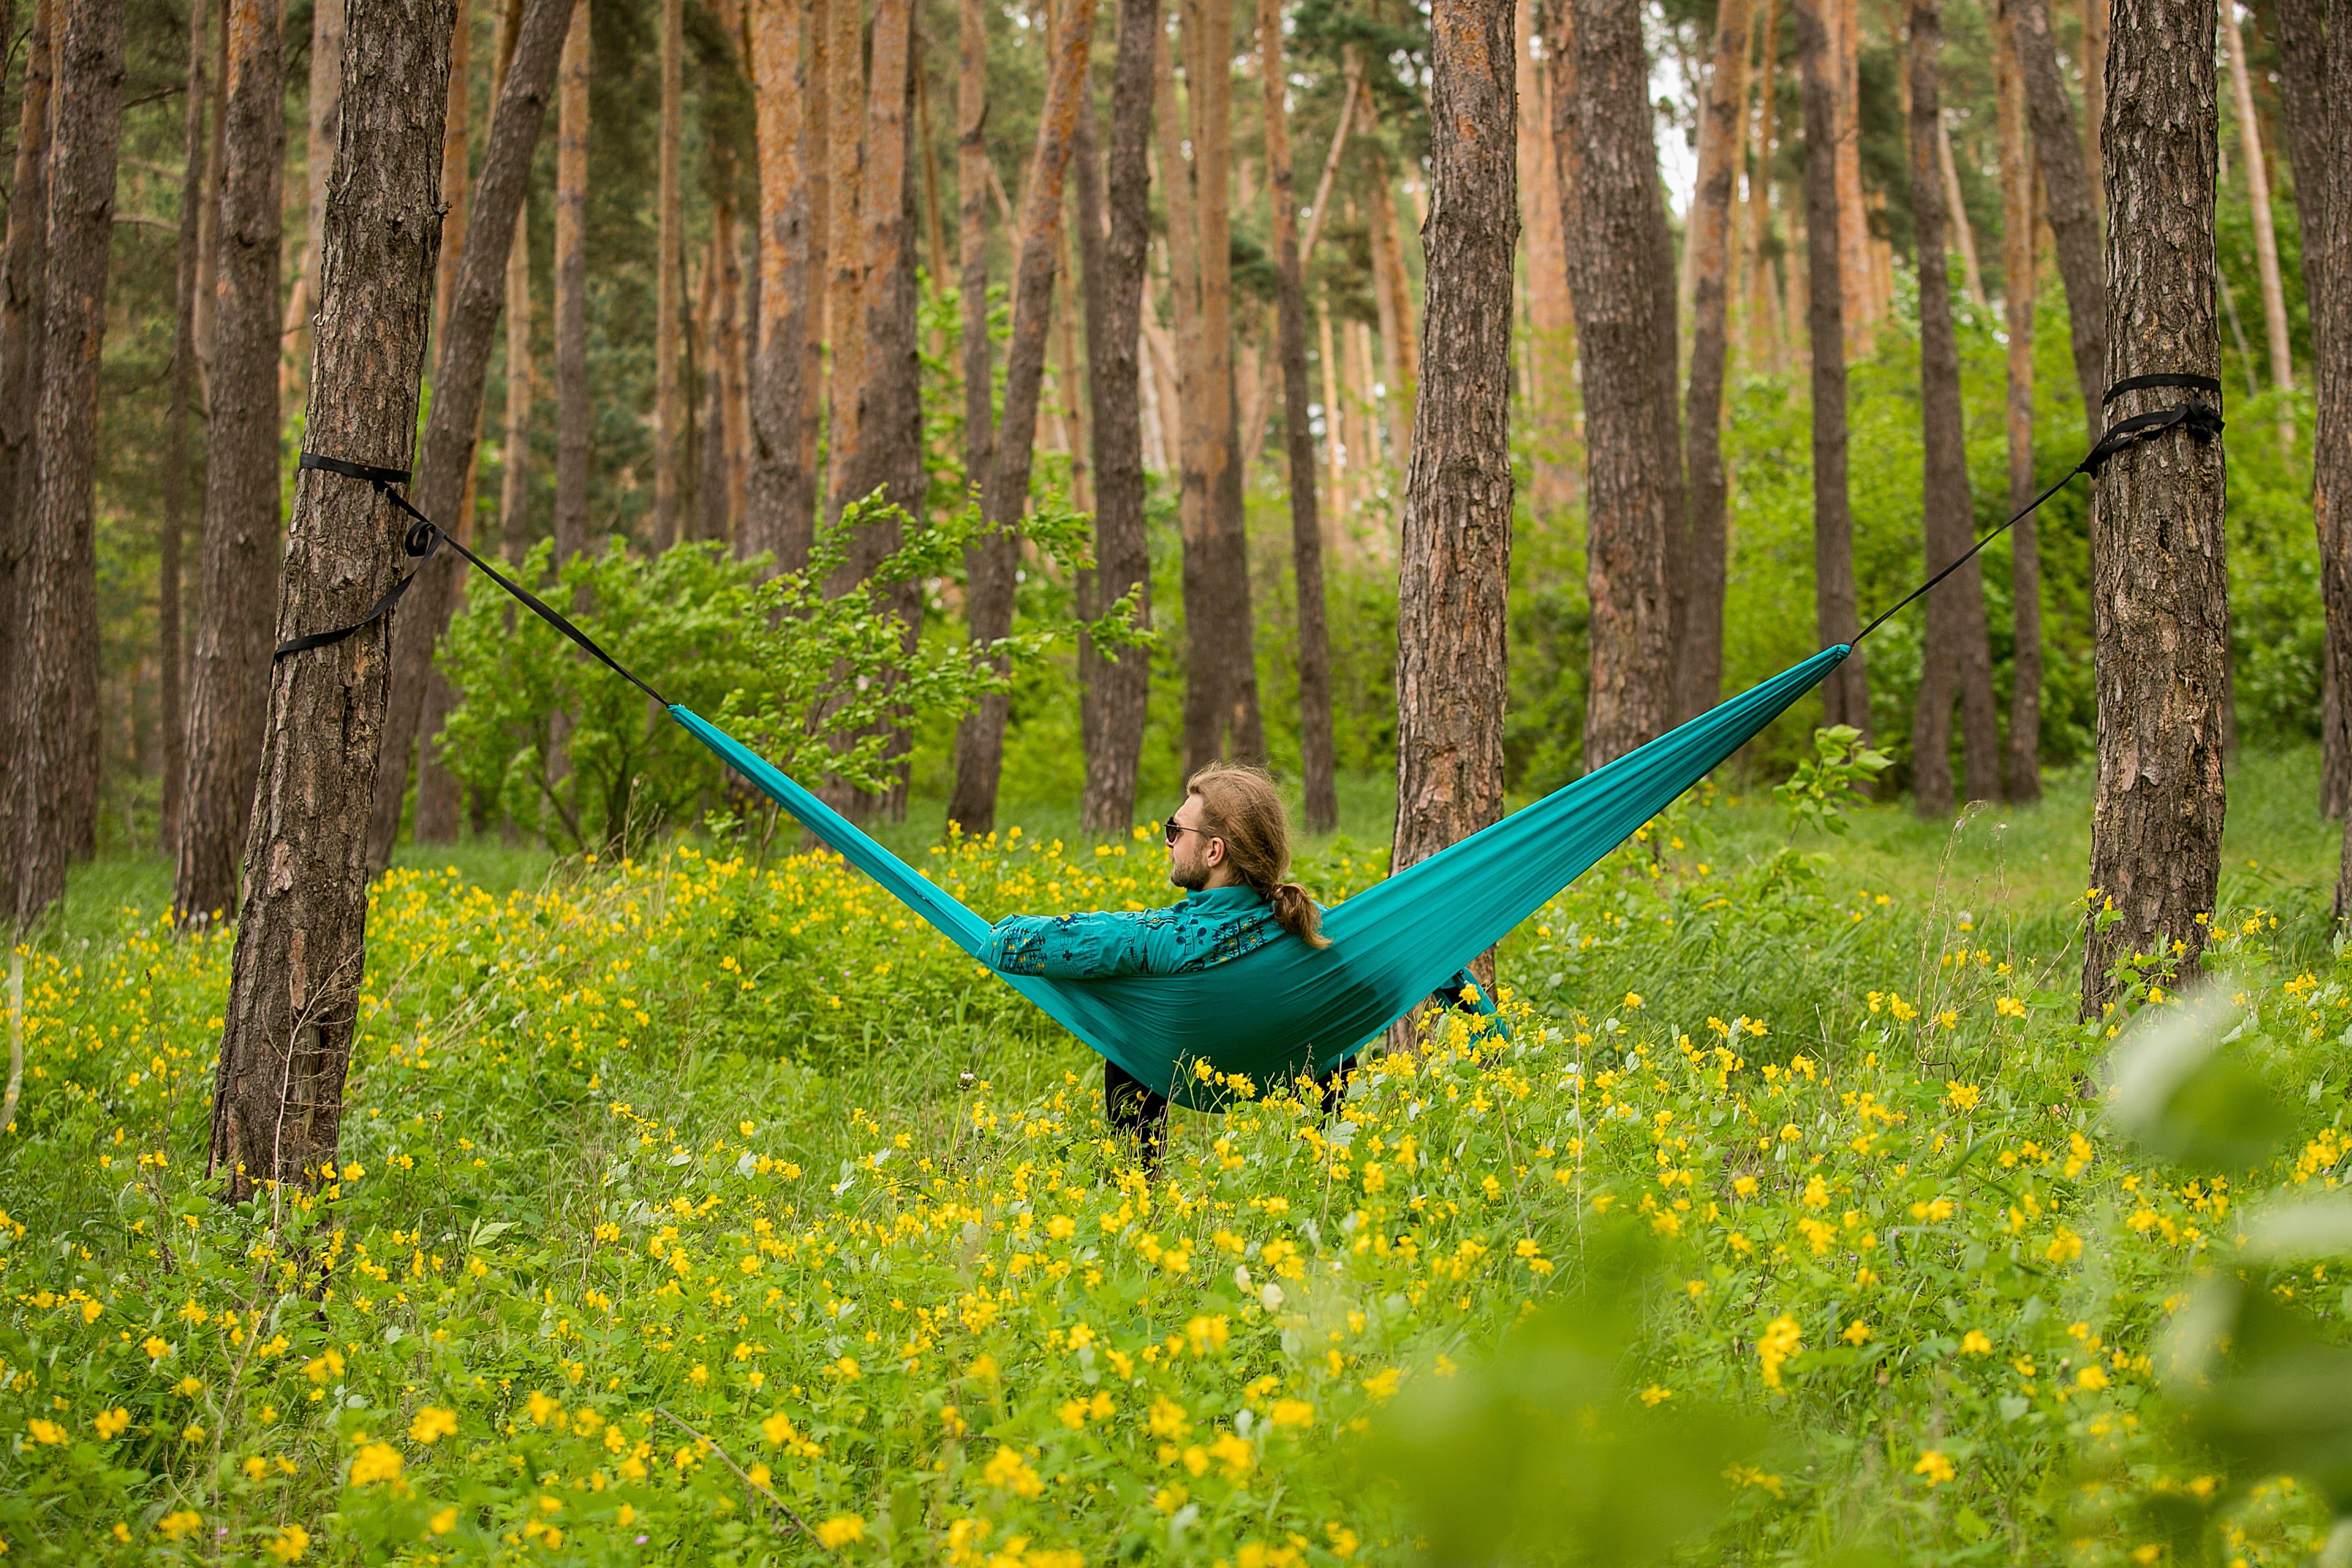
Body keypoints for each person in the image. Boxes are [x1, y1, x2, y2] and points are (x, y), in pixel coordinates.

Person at [980, 764, 1501, 1170]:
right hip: (1291, 1065)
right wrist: (1497, 1049)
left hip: (1184, 1061)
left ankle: (1137, 1191)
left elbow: (1014, 945)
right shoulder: (1321, 936)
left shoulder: (1161, 938)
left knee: (1129, 1043)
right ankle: (1335, 1167)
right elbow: (1441, 966)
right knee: (1335, 1041)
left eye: (1173, 830)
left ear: (1212, 849)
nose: (1167, 842)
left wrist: (991, 930)